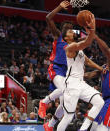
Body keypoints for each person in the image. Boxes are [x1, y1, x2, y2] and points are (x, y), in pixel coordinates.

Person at [56, 12, 104, 131]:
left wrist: (101, 69)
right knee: (68, 117)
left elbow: (88, 62)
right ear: (66, 38)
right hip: (71, 84)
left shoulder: (79, 49)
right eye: (70, 32)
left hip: (80, 83)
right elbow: (87, 42)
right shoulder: (69, 47)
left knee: (99, 102)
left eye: (73, 31)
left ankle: (83, 129)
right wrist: (92, 28)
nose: (73, 32)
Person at [38, 1, 72, 129]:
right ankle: (44, 102)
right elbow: (48, 18)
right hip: (56, 68)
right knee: (64, 88)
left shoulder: (73, 44)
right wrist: (59, 8)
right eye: (68, 29)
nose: (70, 31)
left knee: (66, 106)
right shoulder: (58, 36)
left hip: (66, 72)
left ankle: (50, 125)